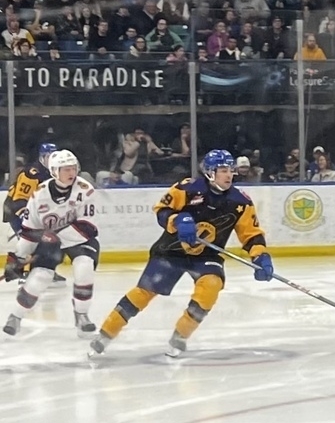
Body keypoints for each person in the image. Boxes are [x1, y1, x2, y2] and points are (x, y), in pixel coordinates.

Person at [91, 149, 273, 359]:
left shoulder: (241, 202)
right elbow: (162, 210)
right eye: (223, 170)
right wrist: (178, 220)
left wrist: (261, 257)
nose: (229, 175)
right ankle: (105, 334)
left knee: (211, 287)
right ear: (210, 173)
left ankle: (180, 336)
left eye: (231, 170)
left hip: (207, 256)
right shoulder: (187, 188)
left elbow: (251, 235)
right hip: (171, 251)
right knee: (144, 292)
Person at [1, 149, 99, 337]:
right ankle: (15, 316)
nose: (71, 173)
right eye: (65, 169)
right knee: (40, 276)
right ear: (54, 171)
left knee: (84, 266)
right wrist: (17, 259)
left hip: (78, 239)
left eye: (73, 168)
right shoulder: (39, 194)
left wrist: (55, 238)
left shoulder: (85, 189)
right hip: (50, 241)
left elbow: (88, 227)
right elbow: (29, 231)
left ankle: (81, 315)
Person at [4, 141, 57, 223]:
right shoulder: (31, 174)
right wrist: (26, 219)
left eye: (55, 157)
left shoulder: (55, 173)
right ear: (42, 158)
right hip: (17, 214)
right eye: (49, 157)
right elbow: (20, 200)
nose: (53, 160)